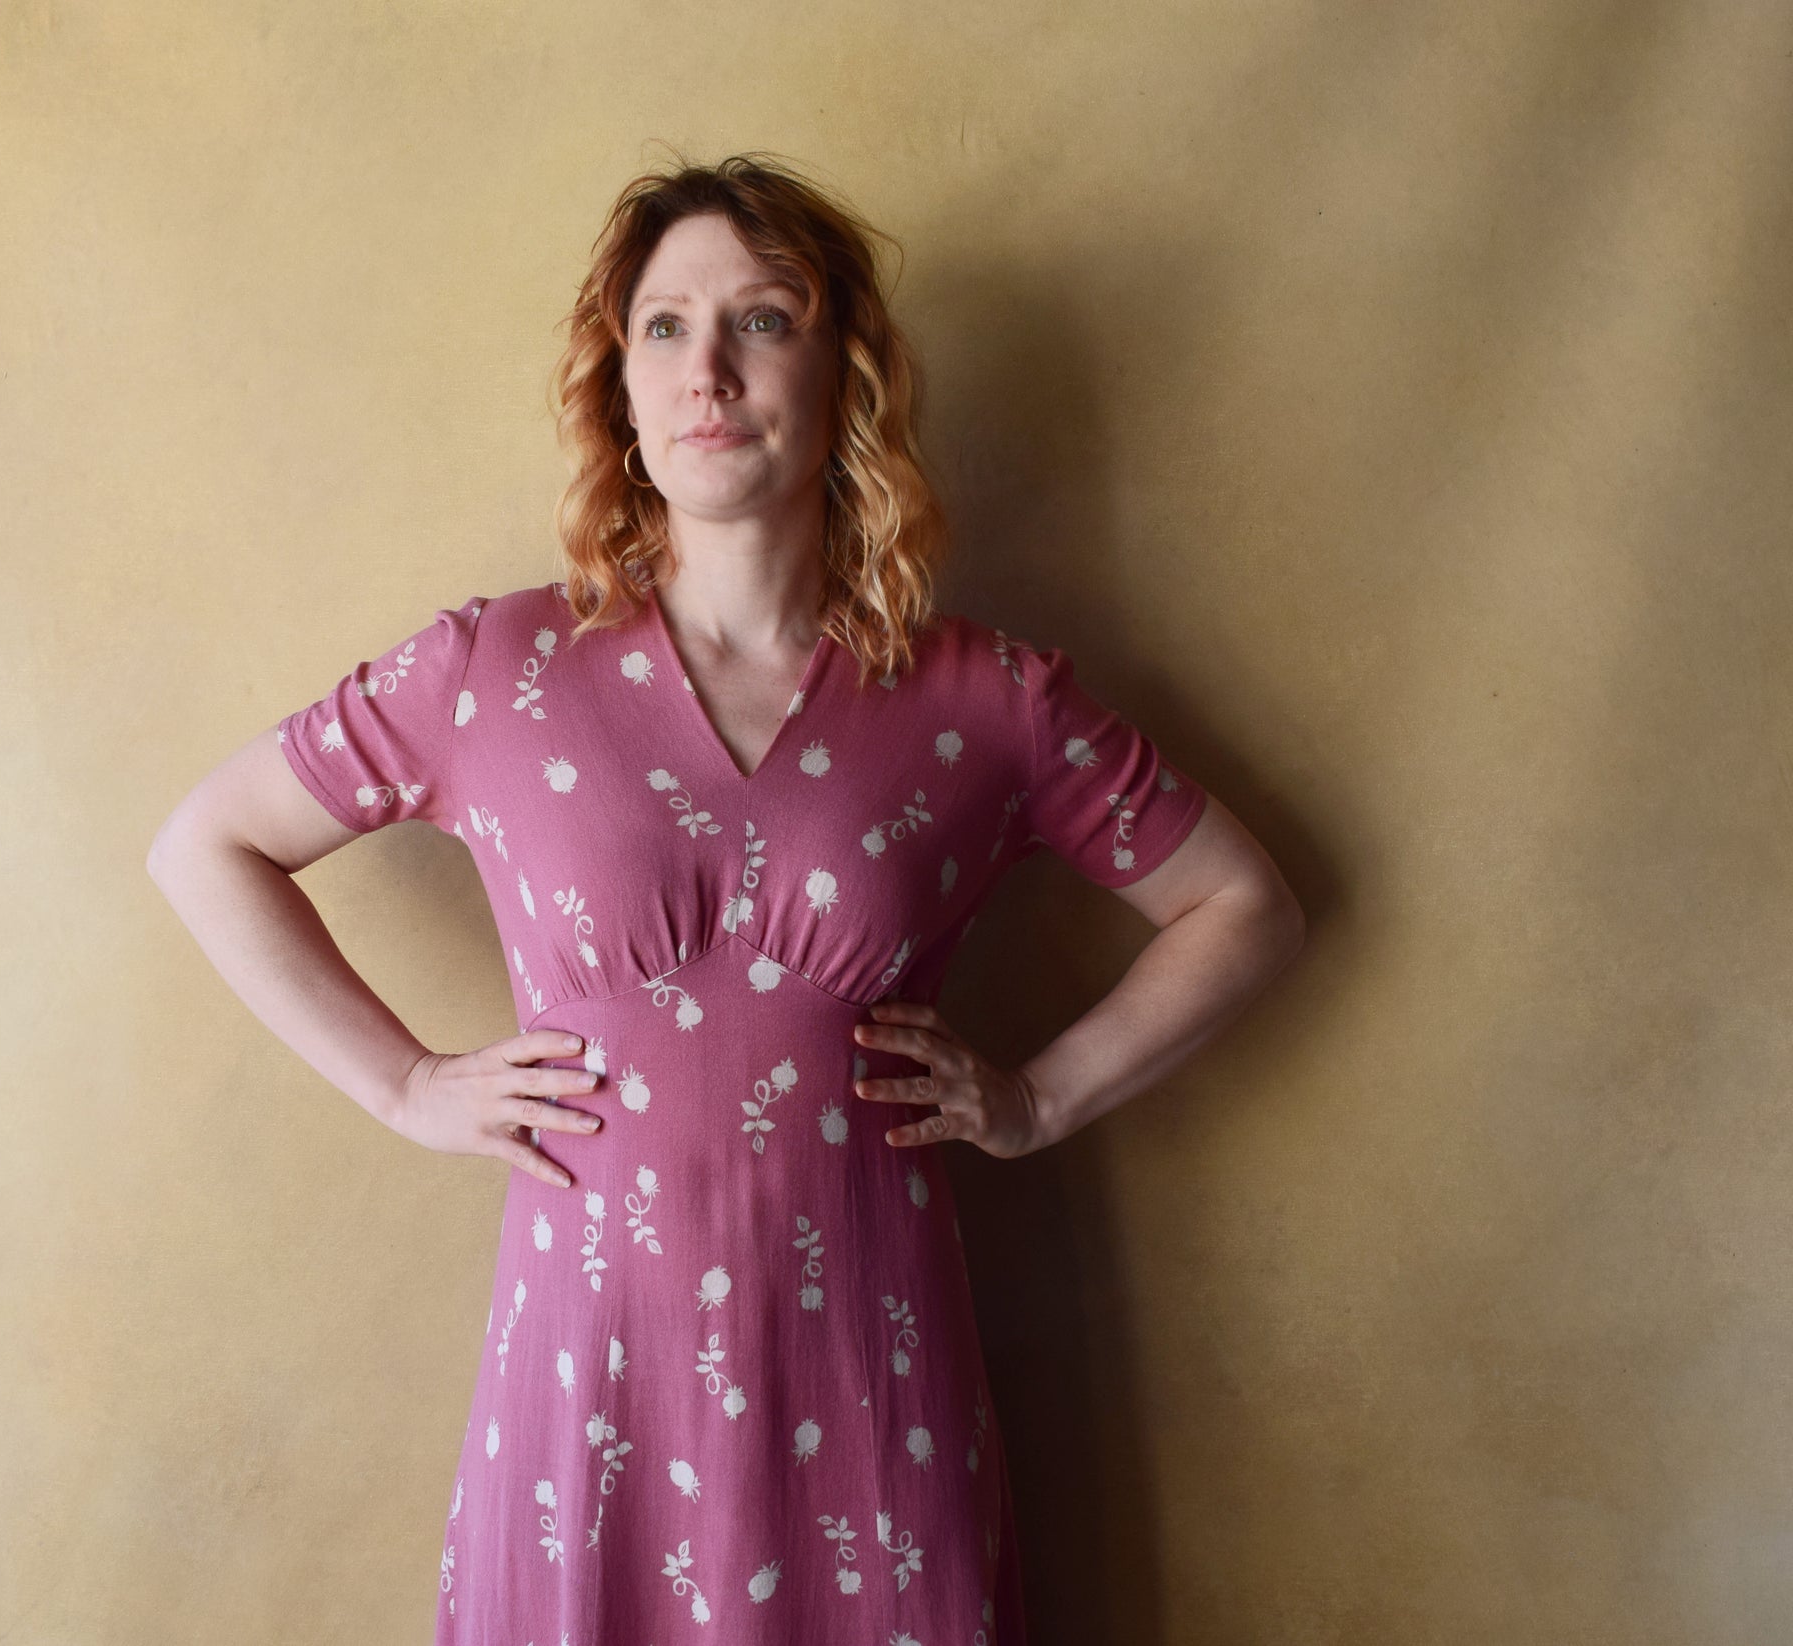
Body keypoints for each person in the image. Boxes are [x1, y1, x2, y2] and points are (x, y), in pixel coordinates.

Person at [147, 151, 1304, 1644]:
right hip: (589, 1387)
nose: (709, 369)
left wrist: (1037, 1098)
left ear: (843, 372)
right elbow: (208, 845)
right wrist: (407, 1084)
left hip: (869, 1376)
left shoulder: (989, 701)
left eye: (763, 319)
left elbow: (1244, 905)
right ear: (622, 387)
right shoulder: (493, 671)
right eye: (665, 328)